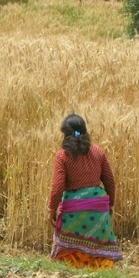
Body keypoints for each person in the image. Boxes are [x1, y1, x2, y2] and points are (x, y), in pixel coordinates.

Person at [47, 114, 122, 269]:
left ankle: (75, 267)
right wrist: (109, 205)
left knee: (67, 248)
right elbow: (109, 180)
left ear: (65, 133)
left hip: (74, 209)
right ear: (85, 131)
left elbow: (58, 186)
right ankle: (98, 270)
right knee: (99, 252)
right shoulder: (97, 151)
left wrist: (51, 209)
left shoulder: (62, 155)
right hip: (99, 207)